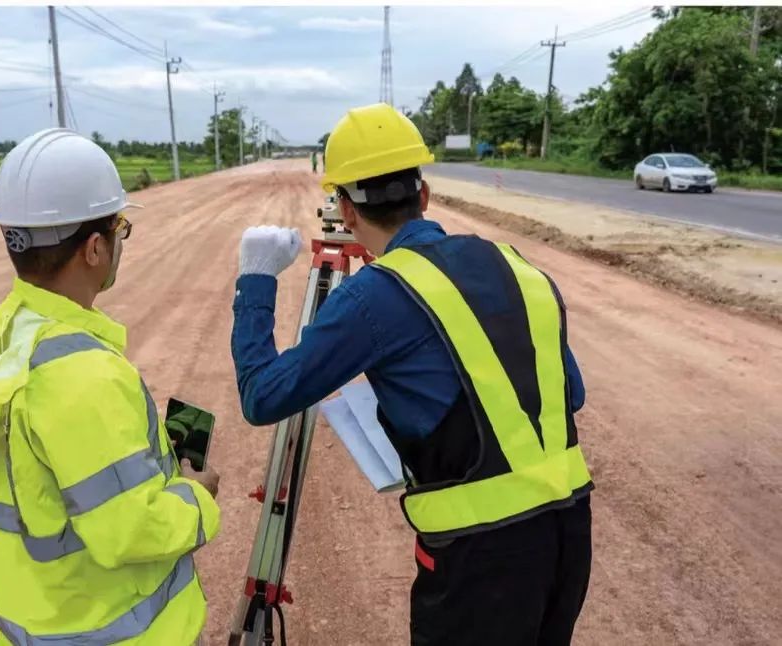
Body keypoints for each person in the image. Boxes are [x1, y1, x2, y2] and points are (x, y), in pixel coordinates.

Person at [230, 104, 592, 645]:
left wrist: (255, 280)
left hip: (479, 559)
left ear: (346, 212)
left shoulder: (374, 296)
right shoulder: (516, 265)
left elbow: (263, 397)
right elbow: (571, 394)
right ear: (423, 195)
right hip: (569, 534)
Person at [0, 128, 221, 646]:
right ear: (96, 247)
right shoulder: (84, 372)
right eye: (120, 227)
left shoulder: (3, 327)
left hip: (36, 625)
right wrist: (199, 496)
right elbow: (129, 531)